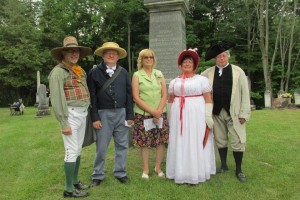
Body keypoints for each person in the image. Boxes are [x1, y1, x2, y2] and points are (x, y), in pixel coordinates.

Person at [48, 36, 92, 198]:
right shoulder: (58, 72)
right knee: (71, 151)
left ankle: (74, 181)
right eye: (70, 51)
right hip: (70, 114)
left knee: (78, 149)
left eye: (76, 51)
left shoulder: (79, 70)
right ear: (63, 53)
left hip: (82, 113)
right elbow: (57, 98)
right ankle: (68, 189)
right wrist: (63, 122)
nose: (74, 53)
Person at [201, 41, 251, 182]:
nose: (221, 59)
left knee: (237, 141)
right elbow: (198, 85)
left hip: (235, 113)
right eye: (218, 57)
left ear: (228, 56)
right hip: (216, 113)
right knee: (220, 140)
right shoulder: (207, 73)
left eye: (223, 56)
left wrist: (244, 113)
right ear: (215, 59)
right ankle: (223, 165)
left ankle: (239, 170)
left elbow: (245, 93)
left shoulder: (238, 71)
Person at [166, 49, 216, 184]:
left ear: (194, 65)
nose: (187, 63)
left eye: (190, 61)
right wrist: (169, 118)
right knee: (180, 140)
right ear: (180, 65)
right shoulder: (174, 82)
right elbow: (170, 100)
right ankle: (180, 171)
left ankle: (196, 171)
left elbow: (208, 98)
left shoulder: (202, 80)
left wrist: (208, 116)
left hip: (196, 116)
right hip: (179, 117)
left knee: (195, 139)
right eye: (184, 62)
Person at [87, 42, 134, 186]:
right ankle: (98, 174)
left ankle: (120, 172)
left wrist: (129, 115)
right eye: (108, 52)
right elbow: (92, 97)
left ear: (118, 57)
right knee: (101, 147)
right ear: (103, 55)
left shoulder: (124, 72)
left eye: (114, 53)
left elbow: (128, 94)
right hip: (103, 114)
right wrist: (95, 117)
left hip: (121, 113)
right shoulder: (94, 72)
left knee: (122, 145)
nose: (111, 55)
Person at [131, 49, 169, 179]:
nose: (148, 59)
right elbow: (136, 97)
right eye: (145, 57)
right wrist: (152, 112)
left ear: (153, 59)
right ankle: (146, 169)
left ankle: (158, 167)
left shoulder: (159, 74)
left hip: (160, 113)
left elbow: (164, 94)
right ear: (141, 60)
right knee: (145, 142)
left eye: (150, 57)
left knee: (160, 141)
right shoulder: (137, 75)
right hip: (143, 114)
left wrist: (158, 111)